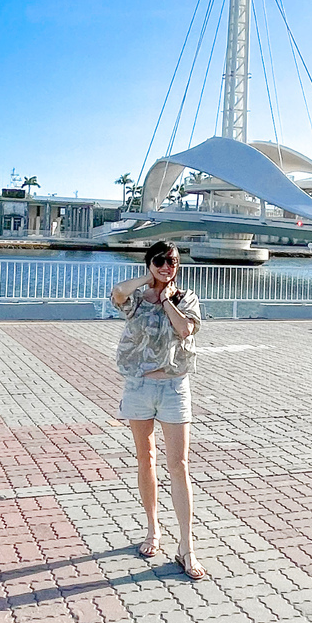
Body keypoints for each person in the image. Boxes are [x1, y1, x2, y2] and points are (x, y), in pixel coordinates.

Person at [110, 240, 207, 580]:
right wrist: (148, 281)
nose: (168, 267)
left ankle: (186, 546)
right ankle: (152, 528)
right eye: (161, 261)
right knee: (145, 458)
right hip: (138, 386)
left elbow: (185, 330)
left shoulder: (186, 298)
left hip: (173, 387)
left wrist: (167, 299)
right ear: (150, 262)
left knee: (179, 465)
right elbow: (118, 292)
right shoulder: (136, 299)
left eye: (173, 262)